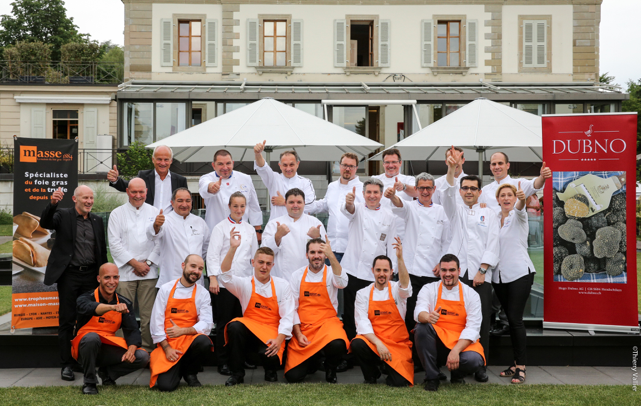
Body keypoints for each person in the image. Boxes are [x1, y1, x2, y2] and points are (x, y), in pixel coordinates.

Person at [441, 146, 499, 383]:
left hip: (479, 276)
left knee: (482, 320)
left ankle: (480, 365)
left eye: (473, 188)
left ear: (479, 192)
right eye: (464, 188)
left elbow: (493, 243)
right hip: (456, 275)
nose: (468, 192)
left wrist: (483, 270)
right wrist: (452, 169)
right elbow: (447, 193)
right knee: (457, 319)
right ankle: (457, 363)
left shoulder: (489, 213)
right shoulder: (454, 211)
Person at [40, 185, 108, 382]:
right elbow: (46, 222)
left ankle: (81, 360)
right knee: (67, 320)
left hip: (90, 277)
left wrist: (102, 275)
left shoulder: (96, 220)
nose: (89, 201)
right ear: (74, 199)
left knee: (87, 320)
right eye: (85, 198)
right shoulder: (63, 215)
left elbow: (101, 250)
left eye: (91, 198)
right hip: (69, 276)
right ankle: (66, 365)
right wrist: (52, 204)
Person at [384, 172, 451, 362]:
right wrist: (392, 196)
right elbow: (399, 204)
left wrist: (441, 262)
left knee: (430, 316)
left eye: (429, 188)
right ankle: (409, 356)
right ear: (416, 190)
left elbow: (446, 241)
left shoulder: (441, 211)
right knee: (409, 316)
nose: (425, 191)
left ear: (434, 189)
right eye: (421, 188)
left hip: (432, 272)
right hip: (411, 272)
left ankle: (429, 357)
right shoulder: (411, 207)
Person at [493, 179, 548, 384]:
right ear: (497, 199)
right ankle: (515, 363)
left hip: (519, 274)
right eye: (503, 195)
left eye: (510, 195)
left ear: (515, 198)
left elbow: (520, 209)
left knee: (515, 320)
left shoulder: (519, 215)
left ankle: (521, 367)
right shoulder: (494, 217)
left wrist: (522, 201)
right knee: (509, 319)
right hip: (498, 276)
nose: (506, 198)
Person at [71, 264, 149, 395]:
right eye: (107, 277)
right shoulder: (85, 298)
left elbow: (132, 330)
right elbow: (91, 308)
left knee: (142, 356)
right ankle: (89, 382)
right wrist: (112, 308)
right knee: (91, 338)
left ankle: (108, 374)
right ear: (98, 279)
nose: (112, 282)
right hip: (84, 348)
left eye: (115, 277)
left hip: (108, 347)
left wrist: (131, 348)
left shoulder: (124, 302)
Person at [222, 246, 295, 386]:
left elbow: (287, 316)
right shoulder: (244, 284)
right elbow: (224, 277)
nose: (264, 267)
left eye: (268, 263)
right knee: (235, 326)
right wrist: (232, 248)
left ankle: (270, 370)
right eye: (260, 262)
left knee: (271, 356)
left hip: (271, 330)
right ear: (253, 262)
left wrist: (279, 339)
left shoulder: (282, 285)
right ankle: (237, 374)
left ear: (273, 265)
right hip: (250, 329)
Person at [414, 254, 485, 392]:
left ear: (459, 271)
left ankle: (457, 375)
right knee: (421, 328)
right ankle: (432, 378)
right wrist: (427, 317)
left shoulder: (471, 294)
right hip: (438, 343)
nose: (447, 274)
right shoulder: (429, 289)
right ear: (439, 271)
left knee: (474, 360)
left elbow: (473, 328)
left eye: (452, 270)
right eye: (444, 270)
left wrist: (456, 351)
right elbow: (418, 312)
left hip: (461, 344)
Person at [206, 192, 259, 376]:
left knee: (243, 324)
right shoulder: (220, 228)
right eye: (235, 206)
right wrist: (213, 277)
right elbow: (212, 255)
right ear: (229, 206)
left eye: (242, 206)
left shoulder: (250, 229)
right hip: (223, 284)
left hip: (244, 284)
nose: (239, 209)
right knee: (224, 324)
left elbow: (254, 258)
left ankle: (241, 359)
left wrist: (255, 282)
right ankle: (223, 361)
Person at [340, 178, 397, 345]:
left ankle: (372, 348)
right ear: (363, 194)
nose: (372, 196)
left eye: (376, 192)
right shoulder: (356, 209)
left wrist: (390, 273)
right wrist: (349, 202)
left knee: (373, 313)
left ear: (381, 195)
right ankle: (351, 350)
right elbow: (348, 210)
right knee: (350, 312)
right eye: (369, 192)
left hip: (375, 274)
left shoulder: (389, 216)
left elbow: (392, 244)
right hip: (353, 269)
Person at [284, 237, 349, 384]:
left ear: (325, 255)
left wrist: (332, 256)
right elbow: (292, 308)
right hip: (305, 327)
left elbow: (343, 283)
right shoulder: (297, 276)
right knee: (293, 377)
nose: (316, 256)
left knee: (338, 342)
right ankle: (314, 361)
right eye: (312, 252)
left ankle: (331, 368)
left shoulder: (332, 272)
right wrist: (298, 333)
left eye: (320, 252)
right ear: (307, 255)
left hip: (327, 324)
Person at [108, 177, 161, 352]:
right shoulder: (117, 213)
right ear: (127, 192)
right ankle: (123, 349)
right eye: (134, 192)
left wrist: (147, 263)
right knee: (123, 315)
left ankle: (147, 349)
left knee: (148, 315)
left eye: (141, 192)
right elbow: (114, 244)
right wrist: (135, 264)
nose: (138, 195)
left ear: (146, 192)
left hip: (149, 272)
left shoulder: (154, 212)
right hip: (125, 273)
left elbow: (160, 241)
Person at [351, 239, 413, 387]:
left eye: (385, 270)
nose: (381, 274)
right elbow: (362, 324)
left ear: (392, 272)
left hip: (397, 344)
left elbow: (406, 286)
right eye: (378, 270)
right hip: (375, 342)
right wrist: (378, 343)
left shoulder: (397, 290)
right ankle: (371, 374)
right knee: (358, 343)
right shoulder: (362, 294)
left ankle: (387, 367)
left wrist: (399, 259)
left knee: (398, 382)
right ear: (372, 271)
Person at [149, 255, 213, 391]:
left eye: (200, 268)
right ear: (183, 266)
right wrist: (167, 348)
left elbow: (207, 324)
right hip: (169, 344)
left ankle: (190, 373)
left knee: (204, 342)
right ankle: (178, 368)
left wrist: (183, 330)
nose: (196, 271)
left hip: (190, 341)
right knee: (166, 386)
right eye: (193, 266)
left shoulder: (203, 293)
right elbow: (156, 322)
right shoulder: (166, 289)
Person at [306, 152, 364, 263]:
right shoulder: (332, 186)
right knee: (330, 279)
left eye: (351, 166)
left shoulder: (363, 189)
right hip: (331, 247)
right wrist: (302, 205)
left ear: (356, 168)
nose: (347, 169)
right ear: (339, 166)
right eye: (344, 165)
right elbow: (325, 205)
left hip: (352, 248)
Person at [147, 187, 210, 288]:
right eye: (180, 201)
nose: (184, 204)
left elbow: (206, 248)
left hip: (196, 282)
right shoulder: (165, 220)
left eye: (187, 201)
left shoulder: (200, 222)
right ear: (172, 203)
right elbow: (152, 235)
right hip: (171, 280)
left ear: (191, 202)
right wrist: (156, 225)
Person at [262, 188, 327, 284]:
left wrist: (318, 238)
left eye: (299, 202)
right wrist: (277, 236)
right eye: (291, 202)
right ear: (285, 203)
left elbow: (326, 252)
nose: (295, 205)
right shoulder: (274, 224)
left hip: (308, 279)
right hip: (281, 280)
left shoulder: (315, 223)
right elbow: (264, 253)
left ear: (304, 203)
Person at [198, 149, 263, 242]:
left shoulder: (245, 178)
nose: (225, 167)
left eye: (228, 163)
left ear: (233, 163)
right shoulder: (206, 178)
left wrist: (258, 230)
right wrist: (211, 187)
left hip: (242, 233)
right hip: (216, 234)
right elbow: (204, 188)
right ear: (213, 165)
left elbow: (253, 205)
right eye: (220, 164)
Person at [107, 145, 188, 213]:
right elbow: (129, 187)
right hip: (147, 223)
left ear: (171, 161)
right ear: (153, 159)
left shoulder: (180, 180)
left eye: (166, 160)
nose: (163, 163)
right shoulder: (143, 176)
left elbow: (187, 203)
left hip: (171, 225)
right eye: (159, 159)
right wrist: (116, 180)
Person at [254, 140, 316, 222]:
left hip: (299, 228)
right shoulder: (274, 179)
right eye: (285, 165)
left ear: (298, 164)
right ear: (280, 165)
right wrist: (258, 154)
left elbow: (311, 206)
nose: (288, 168)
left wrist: (284, 202)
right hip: (276, 228)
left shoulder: (305, 182)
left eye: (291, 164)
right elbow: (262, 168)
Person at [479, 151, 550, 214]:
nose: (497, 167)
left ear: (507, 165)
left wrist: (542, 177)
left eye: (500, 163)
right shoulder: (485, 190)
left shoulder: (519, 183)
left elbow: (535, 185)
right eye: (494, 164)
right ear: (490, 167)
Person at [372, 148, 415, 239]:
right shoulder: (375, 179)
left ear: (400, 163)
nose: (390, 165)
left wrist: (403, 187)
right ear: (383, 164)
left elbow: (416, 192)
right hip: (379, 232)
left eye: (394, 162)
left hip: (402, 233)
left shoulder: (408, 179)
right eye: (387, 162)